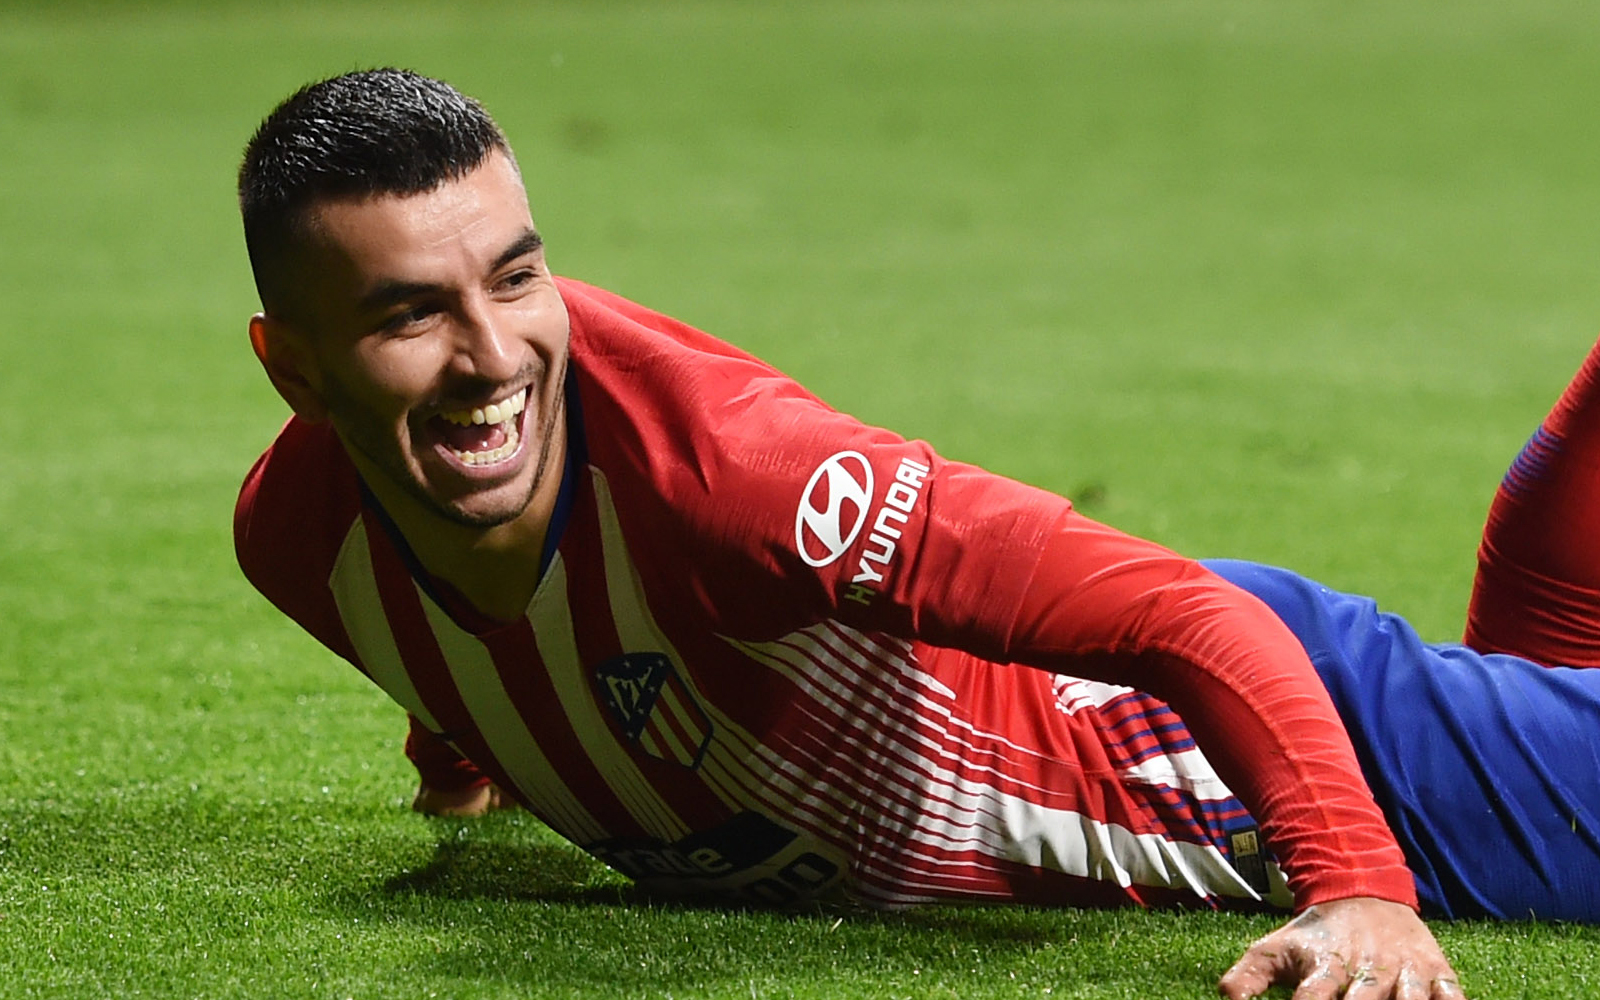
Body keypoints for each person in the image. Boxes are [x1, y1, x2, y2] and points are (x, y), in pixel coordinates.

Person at [233, 68, 1468, 999]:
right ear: (293, 368)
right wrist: (460, 769)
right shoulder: (295, 540)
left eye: (515, 278)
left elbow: (1184, 615)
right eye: (410, 313)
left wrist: (1355, 885)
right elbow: (450, 625)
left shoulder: (738, 480)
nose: (494, 356)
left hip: (1283, 750)